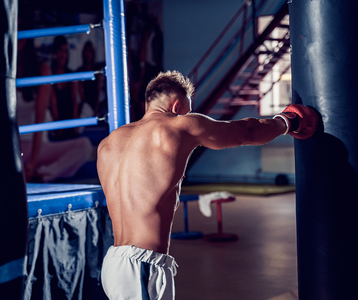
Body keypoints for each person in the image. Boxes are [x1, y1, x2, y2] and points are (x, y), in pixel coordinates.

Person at [96, 70, 318, 299]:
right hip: (143, 267)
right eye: (187, 110)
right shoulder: (178, 126)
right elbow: (247, 132)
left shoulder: (108, 144)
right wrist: (288, 122)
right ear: (176, 106)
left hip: (113, 264)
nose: (187, 115)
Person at [17, 37, 94, 183]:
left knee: (84, 146)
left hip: (37, 146)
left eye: (65, 51)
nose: (63, 55)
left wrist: (33, 163)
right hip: (14, 148)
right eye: (60, 51)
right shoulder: (4, 69)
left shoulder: (42, 69)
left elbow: (40, 120)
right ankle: (29, 172)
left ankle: (42, 174)